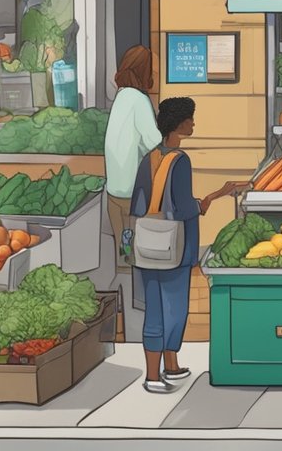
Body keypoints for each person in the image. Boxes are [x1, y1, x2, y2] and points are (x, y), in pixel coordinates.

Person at [130, 97, 248, 393]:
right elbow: (184, 208)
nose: (193, 124)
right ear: (180, 123)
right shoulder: (180, 160)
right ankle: (154, 377)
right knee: (174, 310)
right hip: (175, 247)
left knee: (155, 308)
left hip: (147, 245)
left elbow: (139, 202)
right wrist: (215, 196)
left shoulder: (150, 157)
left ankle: (168, 367)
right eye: (191, 119)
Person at [106, 46, 162, 271]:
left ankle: (123, 285)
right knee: (135, 249)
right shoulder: (139, 100)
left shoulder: (121, 97)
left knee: (123, 248)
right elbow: (153, 139)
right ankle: (136, 296)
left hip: (114, 188)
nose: (155, 75)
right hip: (133, 189)